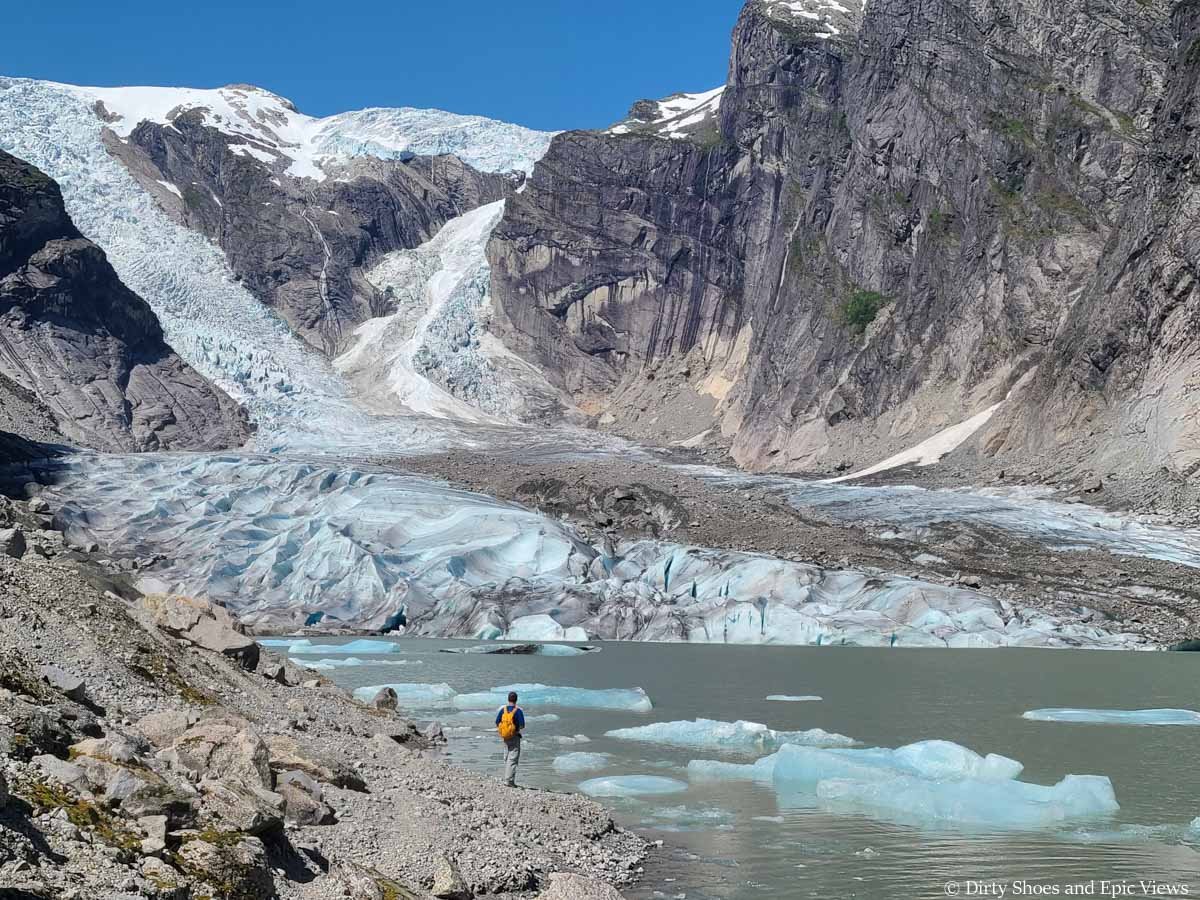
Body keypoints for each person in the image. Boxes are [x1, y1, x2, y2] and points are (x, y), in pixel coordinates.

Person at [495, 690, 525, 787]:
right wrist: (514, 729)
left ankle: (507, 777)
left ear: (508, 699)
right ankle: (509, 781)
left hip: (505, 736)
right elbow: (522, 725)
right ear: (516, 700)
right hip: (514, 736)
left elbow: (497, 722)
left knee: (507, 756)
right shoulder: (518, 711)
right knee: (513, 758)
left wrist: (504, 730)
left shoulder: (503, 710)